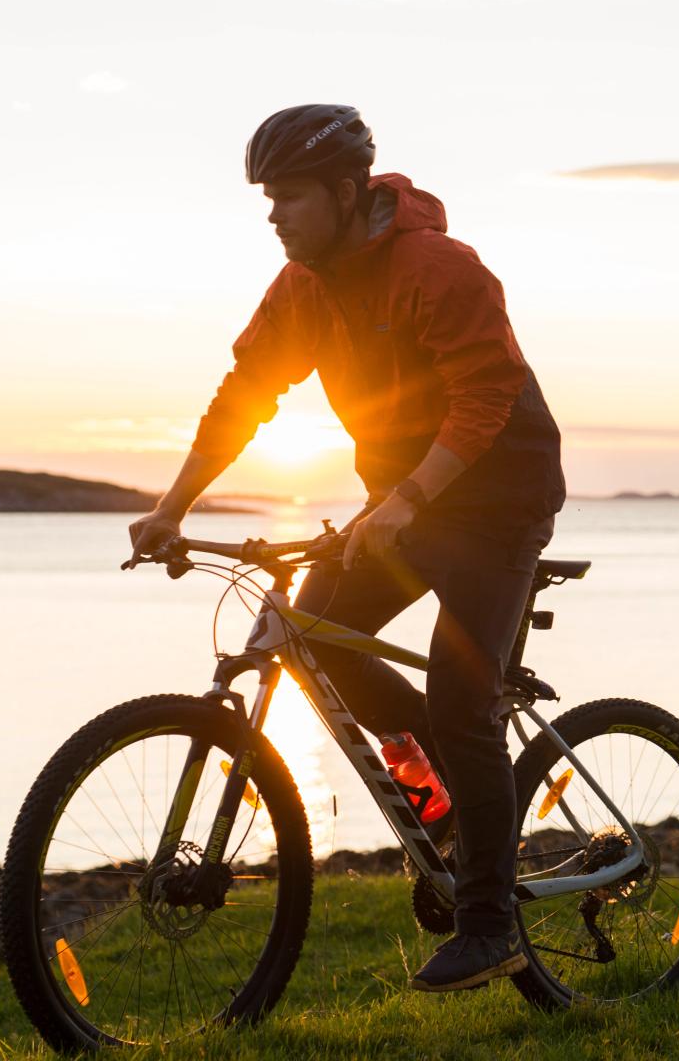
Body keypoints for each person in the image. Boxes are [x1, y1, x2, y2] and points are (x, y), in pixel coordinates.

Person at [126, 103, 567, 993]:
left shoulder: (440, 270)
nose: (274, 216)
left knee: (460, 697)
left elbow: (485, 395)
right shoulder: (302, 289)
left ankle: (492, 924)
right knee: (308, 630)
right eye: (267, 200)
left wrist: (408, 498)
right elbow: (245, 393)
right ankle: (448, 796)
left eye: (288, 197)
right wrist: (172, 504)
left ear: (343, 190)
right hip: (398, 507)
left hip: (498, 503)